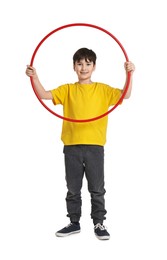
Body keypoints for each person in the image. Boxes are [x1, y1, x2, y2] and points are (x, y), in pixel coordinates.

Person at [26, 47, 135, 240]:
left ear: (94, 66)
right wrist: (34, 77)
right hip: (72, 146)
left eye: (87, 63)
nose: (83, 67)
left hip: (95, 146)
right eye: (79, 64)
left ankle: (99, 223)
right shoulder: (68, 89)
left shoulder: (102, 89)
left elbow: (125, 95)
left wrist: (129, 74)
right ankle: (74, 222)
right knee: (73, 188)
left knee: (97, 188)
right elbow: (44, 94)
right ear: (74, 67)